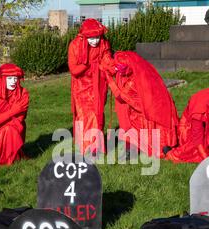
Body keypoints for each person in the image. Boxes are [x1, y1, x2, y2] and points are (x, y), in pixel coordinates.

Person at [102, 51, 180, 158]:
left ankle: (137, 147)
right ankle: (133, 146)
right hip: (156, 108)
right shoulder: (140, 70)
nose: (118, 70)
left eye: (120, 68)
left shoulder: (133, 83)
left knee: (133, 123)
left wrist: (110, 80)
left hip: (150, 112)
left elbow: (122, 96)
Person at [68, 19, 113, 156]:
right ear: (84, 36)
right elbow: (74, 70)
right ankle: (88, 146)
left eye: (97, 37)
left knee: (98, 113)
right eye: (91, 38)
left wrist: (113, 66)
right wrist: (89, 64)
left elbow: (107, 60)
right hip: (81, 85)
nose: (95, 41)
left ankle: (96, 146)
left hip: (99, 83)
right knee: (86, 114)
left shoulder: (104, 43)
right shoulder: (75, 45)